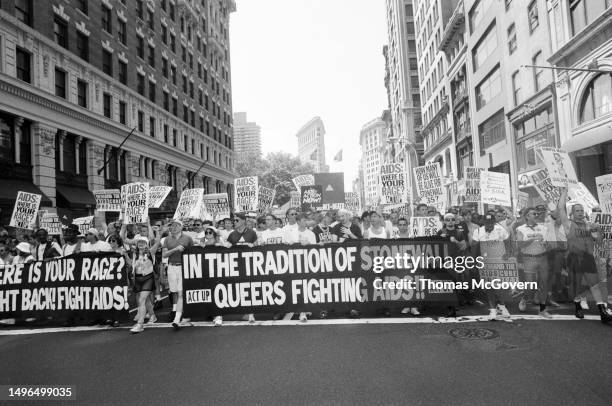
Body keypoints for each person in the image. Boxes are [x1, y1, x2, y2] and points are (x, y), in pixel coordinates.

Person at [560, 189, 612, 323]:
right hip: (574, 259)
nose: (580, 212)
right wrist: (564, 192)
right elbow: (561, 208)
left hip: (589, 259)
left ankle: (603, 313)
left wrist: (598, 232)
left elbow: (600, 241)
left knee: (594, 285)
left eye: (582, 210)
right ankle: (577, 305)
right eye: (577, 210)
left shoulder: (591, 225)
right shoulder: (568, 224)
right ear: (572, 213)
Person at [472, 213, 512, 321]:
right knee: (489, 286)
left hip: (499, 261)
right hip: (485, 262)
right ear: (483, 223)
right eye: (486, 223)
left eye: (491, 223)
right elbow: (474, 246)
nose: (489, 225)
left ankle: (502, 306)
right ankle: (493, 309)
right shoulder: (478, 231)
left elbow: (507, 241)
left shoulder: (500, 230)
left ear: (494, 222)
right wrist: (475, 261)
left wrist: (507, 253)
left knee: (500, 286)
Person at [516, 207, 552, 318]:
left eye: (537, 213)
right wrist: (533, 239)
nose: (536, 215)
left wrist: (545, 244)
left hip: (542, 258)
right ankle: (525, 298)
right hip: (528, 258)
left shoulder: (543, 228)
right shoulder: (520, 229)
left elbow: (550, 247)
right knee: (530, 286)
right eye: (534, 214)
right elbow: (520, 245)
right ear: (527, 216)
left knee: (544, 284)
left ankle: (542, 309)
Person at [162, 219, 194, 330]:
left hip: (183, 267)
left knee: (180, 293)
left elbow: (194, 251)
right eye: (172, 226)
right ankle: (176, 310)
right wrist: (176, 249)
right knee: (174, 292)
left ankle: (177, 318)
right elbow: (165, 254)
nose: (173, 228)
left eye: (176, 226)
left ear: (181, 227)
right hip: (171, 267)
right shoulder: (167, 239)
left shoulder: (188, 238)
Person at [129, 236, 160, 333]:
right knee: (145, 300)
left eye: (143, 242)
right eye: (139, 242)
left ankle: (140, 324)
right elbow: (131, 265)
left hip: (148, 278)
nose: (141, 244)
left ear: (147, 244)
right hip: (138, 279)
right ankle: (153, 315)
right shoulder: (135, 254)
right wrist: (125, 256)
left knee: (141, 299)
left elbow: (157, 242)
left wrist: (157, 232)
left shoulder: (150, 252)